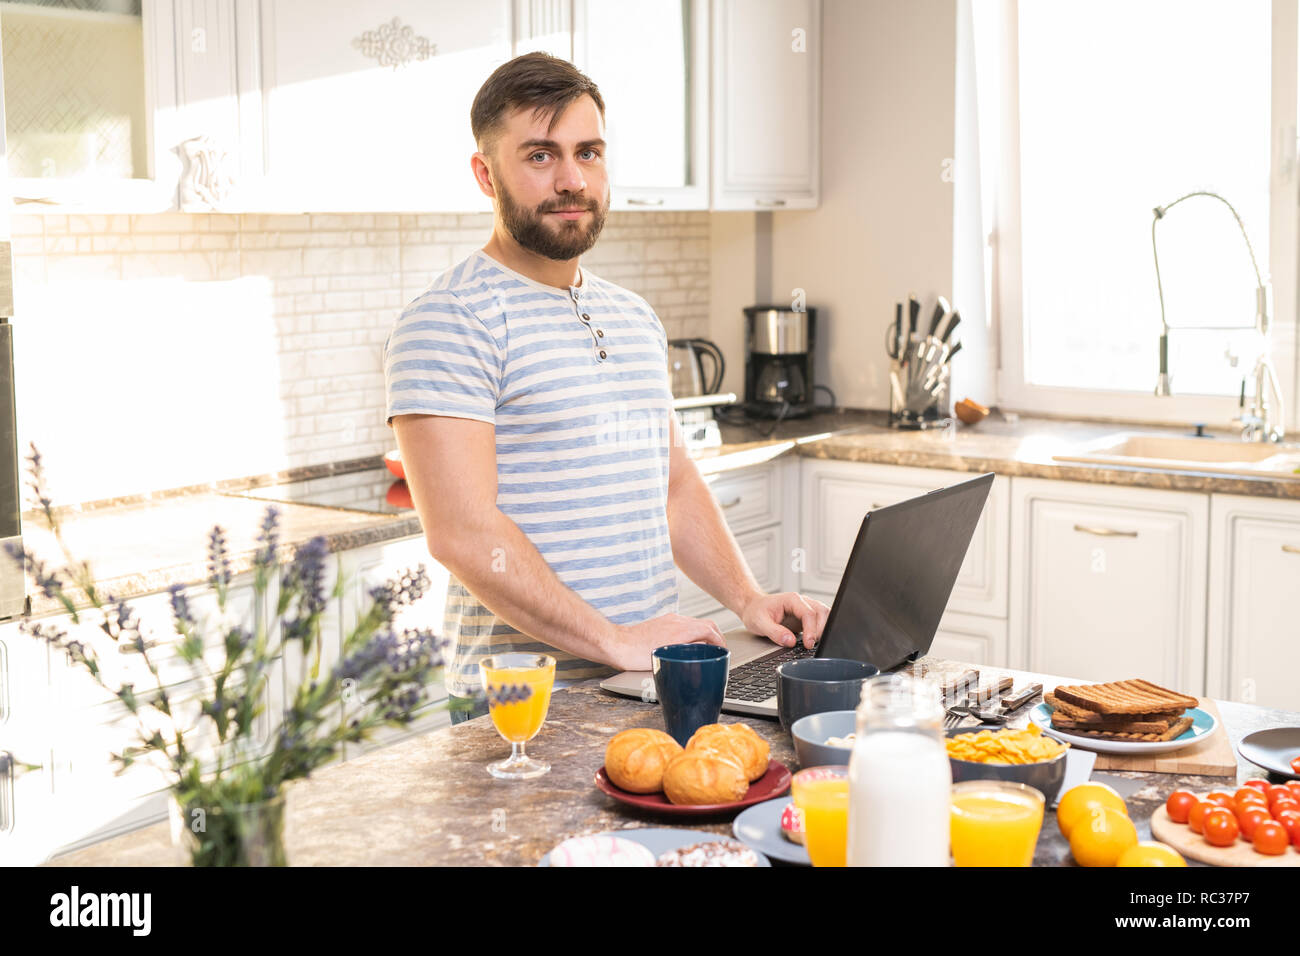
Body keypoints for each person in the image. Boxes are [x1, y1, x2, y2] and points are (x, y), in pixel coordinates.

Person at [383, 52, 830, 725]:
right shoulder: (450, 318)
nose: (571, 180)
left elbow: (673, 485)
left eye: (588, 153)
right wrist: (613, 642)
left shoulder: (633, 315)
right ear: (485, 174)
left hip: (646, 685)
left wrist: (747, 600)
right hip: (523, 708)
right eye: (540, 156)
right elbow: (463, 533)